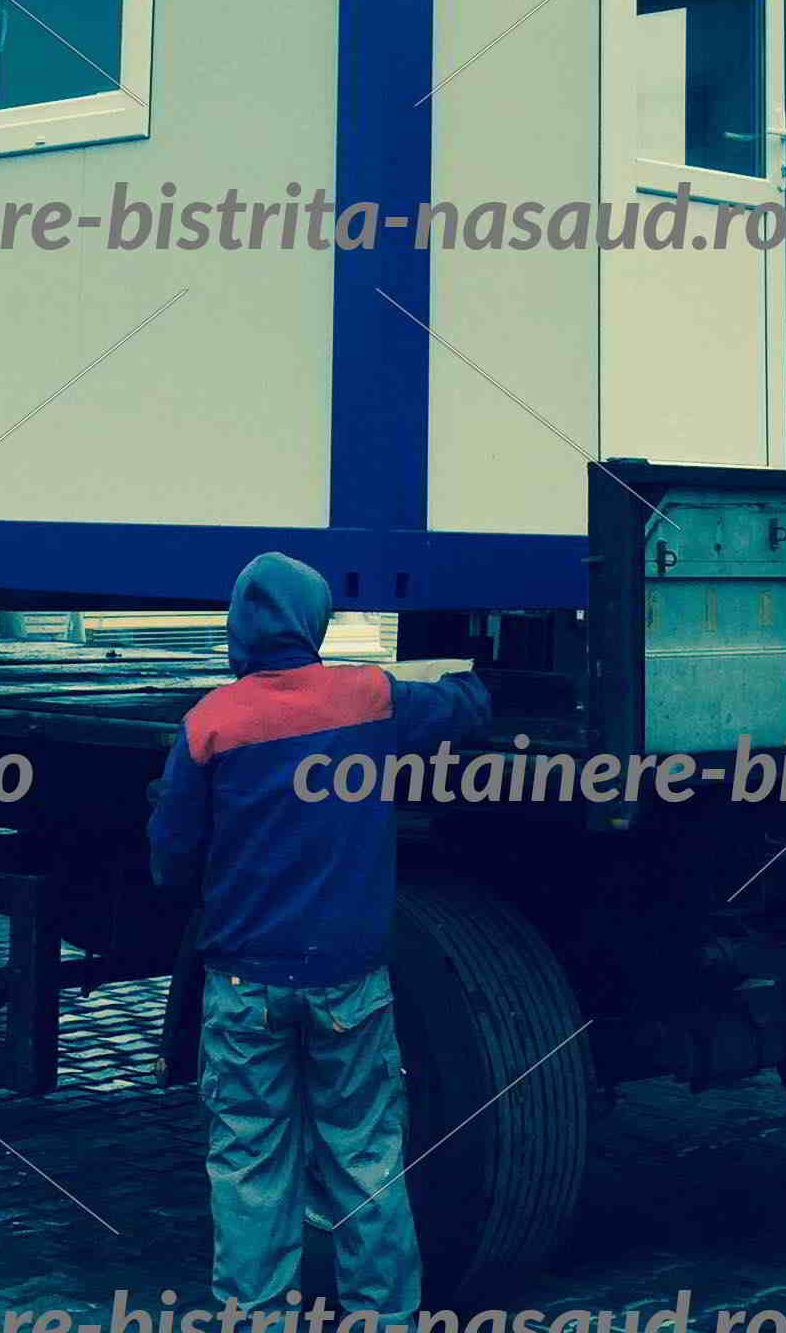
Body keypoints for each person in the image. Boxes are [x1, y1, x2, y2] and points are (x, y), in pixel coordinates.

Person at [148, 553, 490, 1329]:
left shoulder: (208, 723)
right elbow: (462, 708)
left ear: (238, 627)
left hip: (244, 984)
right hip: (348, 983)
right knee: (365, 1157)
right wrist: (475, 677)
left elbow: (170, 858)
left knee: (249, 1164)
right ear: (316, 622)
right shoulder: (367, 697)